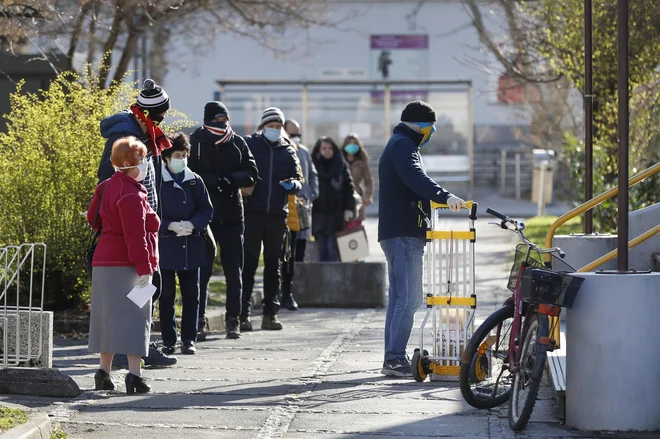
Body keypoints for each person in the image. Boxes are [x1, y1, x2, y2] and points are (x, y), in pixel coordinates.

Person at [378, 100, 465, 377]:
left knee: (399, 298)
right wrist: (444, 196)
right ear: (418, 124)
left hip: (397, 231)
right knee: (410, 298)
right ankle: (393, 359)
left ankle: (392, 357)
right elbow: (415, 178)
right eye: (430, 126)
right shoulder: (404, 145)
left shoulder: (399, 143)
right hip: (404, 232)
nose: (432, 131)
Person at [98, 78, 177, 368]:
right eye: (163, 113)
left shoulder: (145, 135)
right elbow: (108, 180)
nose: (165, 118)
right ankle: (130, 348)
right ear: (152, 115)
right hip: (130, 228)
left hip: (144, 225)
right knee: (140, 285)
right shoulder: (126, 138)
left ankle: (135, 345)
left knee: (145, 286)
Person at [87, 136, 159, 394]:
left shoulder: (106, 186)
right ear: (130, 162)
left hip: (104, 260)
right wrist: (144, 269)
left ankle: (103, 373)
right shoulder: (131, 193)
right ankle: (134, 376)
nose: (145, 164)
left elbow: (92, 219)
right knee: (135, 318)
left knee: (107, 318)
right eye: (142, 159)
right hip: (127, 264)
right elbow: (135, 236)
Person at [189, 102, 258, 340]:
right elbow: (189, 173)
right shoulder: (196, 141)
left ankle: (233, 321)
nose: (221, 124)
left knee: (233, 270)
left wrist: (230, 180)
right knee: (202, 271)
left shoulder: (237, 142)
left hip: (231, 214)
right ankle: (198, 321)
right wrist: (213, 181)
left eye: (224, 120)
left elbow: (251, 172)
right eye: (216, 120)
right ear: (208, 120)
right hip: (204, 215)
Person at [242, 107, 303, 330]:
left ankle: (271, 314)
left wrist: (293, 185)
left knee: (273, 266)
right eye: (271, 126)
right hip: (253, 213)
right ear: (263, 125)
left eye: (279, 127)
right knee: (248, 264)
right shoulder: (250, 144)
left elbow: (298, 179)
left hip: (277, 214)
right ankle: (243, 314)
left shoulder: (288, 150)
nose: (275, 130)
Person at [157, 133, 213, 355]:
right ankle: (169, 340)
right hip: (166, 247)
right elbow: (150, 211)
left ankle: (189, 339)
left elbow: (206, 210)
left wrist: (193, 224)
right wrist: (168, 225)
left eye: (184, 155)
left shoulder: (195, 180)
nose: (181, 159)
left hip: (191, 245)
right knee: (167, 296)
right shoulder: (158, 181)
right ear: (167, 158)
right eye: (177, 155)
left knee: (192, 295)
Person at [281, 120, 318, 310]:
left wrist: (310, 194)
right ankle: (279, 292)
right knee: (282, 254)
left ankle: (291, 291)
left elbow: (312, 175)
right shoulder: (281, 150)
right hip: (281, 211)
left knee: (297, 252)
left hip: (300, 210)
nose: (295, 137)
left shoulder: (303, 151)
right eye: (292, 133)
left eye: (298, 134)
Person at [311, 137, 357, 262]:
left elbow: (349, 188)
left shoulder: (341, 166)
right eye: (324, 148)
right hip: (318, 215)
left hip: (336, 215)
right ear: (318, 150)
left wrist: (349, 208)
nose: (327, 151)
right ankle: (322, 279)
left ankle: (333, 279)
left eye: (330, 148)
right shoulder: (312, 166)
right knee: (321, 250)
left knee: (333, 250)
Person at [341, 133, 373, 230]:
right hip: (341, 199)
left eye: (354, 143)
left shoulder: (362, 163)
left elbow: (369, 181)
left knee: (355, 231)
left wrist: (367, 197)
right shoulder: (339, 160)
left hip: (357, 200)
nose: (352, 146)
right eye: (349, 143)